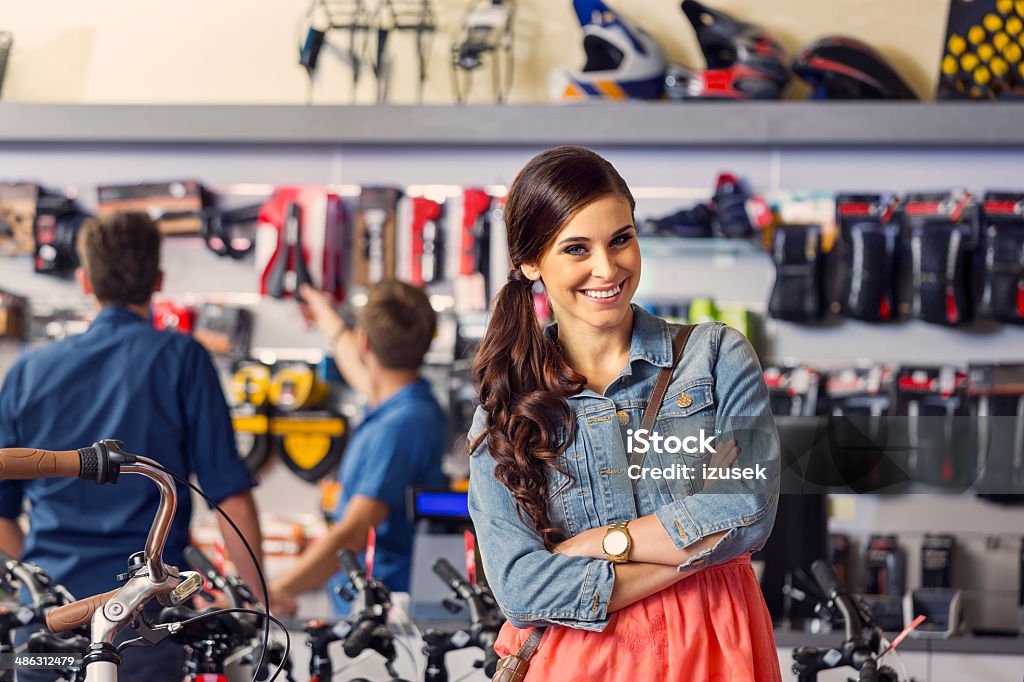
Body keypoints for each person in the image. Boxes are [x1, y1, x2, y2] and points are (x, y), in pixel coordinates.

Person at [467, 146, 781, 680]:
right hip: (579, 664)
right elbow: (520, 589)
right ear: (529, 263)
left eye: (621, 239)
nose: (606, 268)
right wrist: (694, 552)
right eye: (576, 249)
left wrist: (605, 544)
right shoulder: (508, 403)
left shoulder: (715, 356)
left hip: (714, 654)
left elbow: (751, 511)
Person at [0, 211, 264, 682]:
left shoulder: (28, 372)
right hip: (144, 622)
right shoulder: (181, 357)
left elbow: (2, 512)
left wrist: (42, 583)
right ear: (157, 280)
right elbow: (230, 498)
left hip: (47, 626)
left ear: (85, 280)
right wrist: (256, 602)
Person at [269, 279, 447, 615]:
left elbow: (354, 533)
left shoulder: (398, 427)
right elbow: (350, 355)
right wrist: (321, 309)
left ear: (366, 341)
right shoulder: (405, 403)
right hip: (374, 601)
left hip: (382, 610)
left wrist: (275, 589)